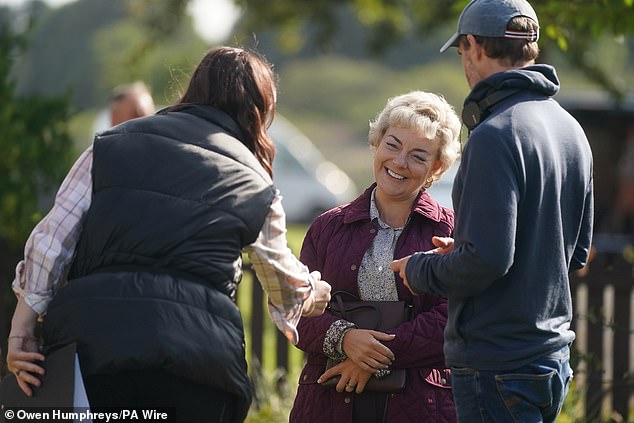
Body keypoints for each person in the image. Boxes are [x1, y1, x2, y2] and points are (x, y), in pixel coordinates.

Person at [6, 46, 331, 423]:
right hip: (200, 363)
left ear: (194, 89)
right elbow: (283, 282)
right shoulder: (257, 183)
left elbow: (51, 241)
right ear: (259, 112)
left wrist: (21, 331)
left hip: (94, 348)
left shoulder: (110, 145)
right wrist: (313, 292)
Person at [391, 1, 594, 422]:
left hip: (498, 363)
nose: (464, 61)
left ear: (474, 46)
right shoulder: (571, 130)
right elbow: (572, 253)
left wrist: (420, 269)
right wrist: (465, 249)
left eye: (462, 50)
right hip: (551, 357)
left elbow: (488, 259)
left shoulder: (494, 133)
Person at [289, 91, 461, 423]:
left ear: (437, 167)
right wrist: (345, 338)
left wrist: (372, 356)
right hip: (328, 401)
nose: (399, 162)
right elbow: (296, 308)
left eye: (418, 155)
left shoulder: (454, 229)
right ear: (376, 142)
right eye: (393, 145)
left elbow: (454, 316)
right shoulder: (327, 227)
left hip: (419, 405)